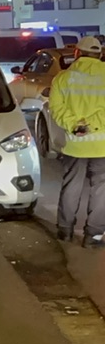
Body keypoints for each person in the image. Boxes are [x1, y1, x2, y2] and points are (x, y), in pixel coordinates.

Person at [50, 36, 105, 247]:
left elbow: (56, 108)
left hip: (75, 143)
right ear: (99, 54)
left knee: (71, 185)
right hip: (102, 145)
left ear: (77, 53)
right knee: (101, 189)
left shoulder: (63, 78)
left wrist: (76, 125)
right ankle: (94, 235)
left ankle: (65, 230)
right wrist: (91, 125)